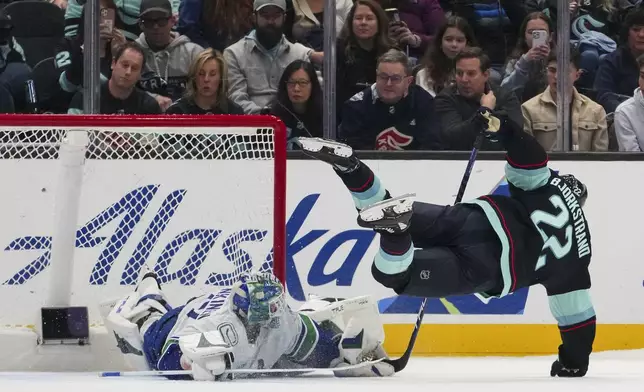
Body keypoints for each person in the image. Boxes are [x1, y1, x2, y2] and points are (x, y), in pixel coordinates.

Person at [294, 115, 595, 378]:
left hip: (472, 220)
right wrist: (573, 363)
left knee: (385, 209)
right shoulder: (578, 257)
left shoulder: (549, 184)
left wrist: (507, 130)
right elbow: (577, 317)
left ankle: (351, 166)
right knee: (394, 275)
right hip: (485, 268)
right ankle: (397, 234)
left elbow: (530, 159)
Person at [106, 270, 395, 380]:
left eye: (270, 308)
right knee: (148, 331)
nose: (267, 316)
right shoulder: (212, 324)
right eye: (260, 309)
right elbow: (166, 361)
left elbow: (315, 345)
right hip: (176, 323)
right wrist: (189, 365)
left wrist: (343, 359)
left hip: (208, 307)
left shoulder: (282, 319)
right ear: (243, 307)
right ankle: (149, 295)